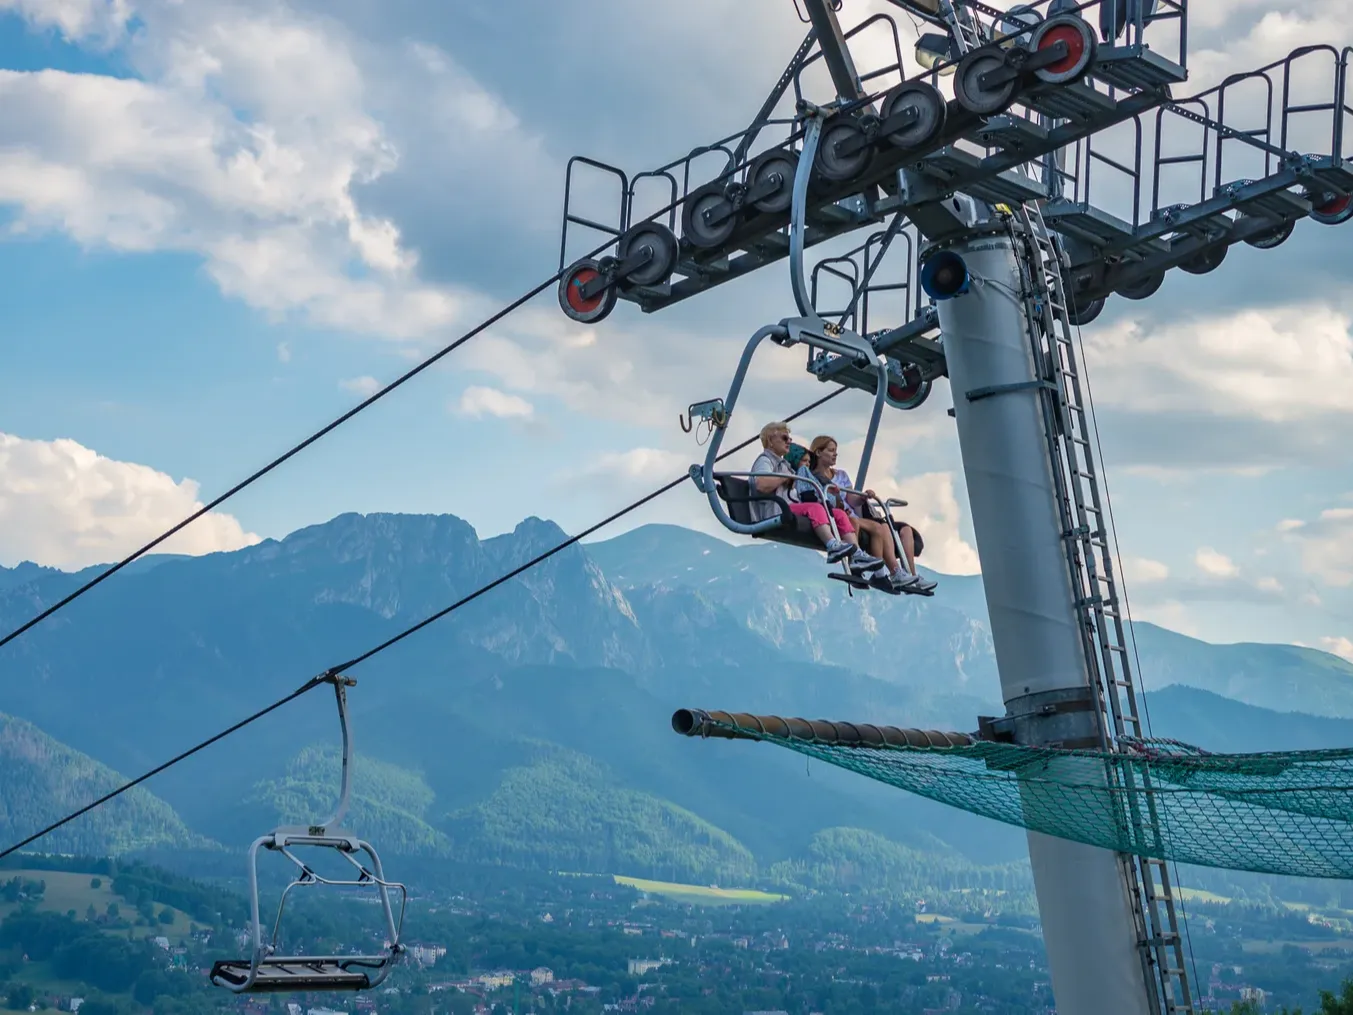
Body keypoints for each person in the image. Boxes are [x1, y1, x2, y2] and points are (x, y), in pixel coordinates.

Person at [799, 434, 937, 594]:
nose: (835, 454)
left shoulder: (841, 475)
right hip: (838, 514)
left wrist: (863, 496)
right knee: (857, 523)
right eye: (830, 451)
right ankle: (869, 567)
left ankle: (888, 573)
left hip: (849, 512)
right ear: (818, 452)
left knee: (880, 527)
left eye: (835, 451)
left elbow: (851, 499)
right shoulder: (813, 477)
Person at [749, 422, 883, 572]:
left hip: (788, 505)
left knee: (838, 513)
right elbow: (761, 484)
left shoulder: (784, 464)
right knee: (815, 508)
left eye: (790, 439)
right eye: (785, 438)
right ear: (770, 440)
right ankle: (832, 545)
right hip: (775, 509)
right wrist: (785, 477)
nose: (789, 442)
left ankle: (856, 553)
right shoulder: (765, 460)